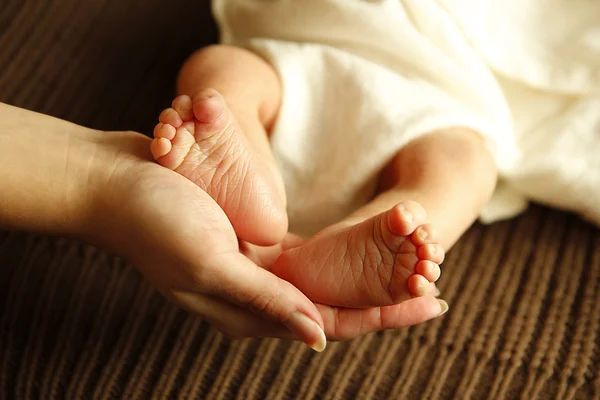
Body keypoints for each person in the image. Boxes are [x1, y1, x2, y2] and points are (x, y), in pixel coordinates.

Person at [0, 103, 448, 353]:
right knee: (227, 72)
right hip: (327, 49)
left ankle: (344, 236)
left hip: (432, 99)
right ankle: (260, 189)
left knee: (458, 163)